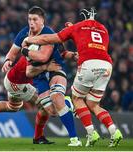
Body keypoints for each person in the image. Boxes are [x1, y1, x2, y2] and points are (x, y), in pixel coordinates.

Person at [22, 7, 123, 147]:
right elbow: (89, 38)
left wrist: (28, 40)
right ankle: (114, 131)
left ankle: (90, 133)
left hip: (88, 63)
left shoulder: (78, 26)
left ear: (83, 17)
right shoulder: (103, 28)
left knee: (77, 98)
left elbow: (51, 38)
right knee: (93, 104)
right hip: (106, 65)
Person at [2, 6, 81, 146]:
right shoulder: (24, 33)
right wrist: (8, 60)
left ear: (42, 20)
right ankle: (68, 103)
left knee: (57, 98)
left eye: (34, 19)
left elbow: (55, 54)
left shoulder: (48, 33)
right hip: (38, 77)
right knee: (52, 111)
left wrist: (72, 55)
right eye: (29, 19)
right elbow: (13, 53)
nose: (31, 22)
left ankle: (74, 139)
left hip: (55, 69)